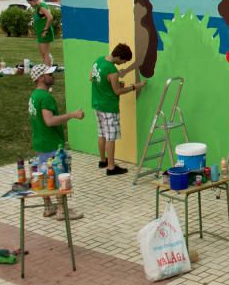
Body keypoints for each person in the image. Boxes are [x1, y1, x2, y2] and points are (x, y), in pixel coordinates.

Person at [29, 63, 84, 220]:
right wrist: (72, 115)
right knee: (61, 175)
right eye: (50, 74)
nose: (53, 76)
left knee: (43, 175)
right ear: (40, 78)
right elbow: (50, 121)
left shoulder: (34, 96)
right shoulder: (45, 97)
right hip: (52, 144)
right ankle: (61, 210)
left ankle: (48, 207)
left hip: (40, 142)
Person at [90, 43, 145, 175]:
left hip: (97, 104)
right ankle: (111, 167)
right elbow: (117, 91)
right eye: (124, 61)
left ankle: (103, 160)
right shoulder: (112, 70)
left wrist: (110, 81)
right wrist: (134, 87)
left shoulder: (99, 61)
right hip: (109, 107)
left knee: (101, 133)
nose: (124, 63)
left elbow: (91, 78)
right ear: (119, 57)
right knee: (110, 137)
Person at [26, 0, 55, 67]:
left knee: (45, 54)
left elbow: (50, 17)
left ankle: (47, 73)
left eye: (30, 3)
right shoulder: (38, 7)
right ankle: (48, 69)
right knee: (44, 53)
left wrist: (45, 30)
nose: (31, 5)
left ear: (34, 0)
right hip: (41, 33)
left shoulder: (41, 6)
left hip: (44, 33)